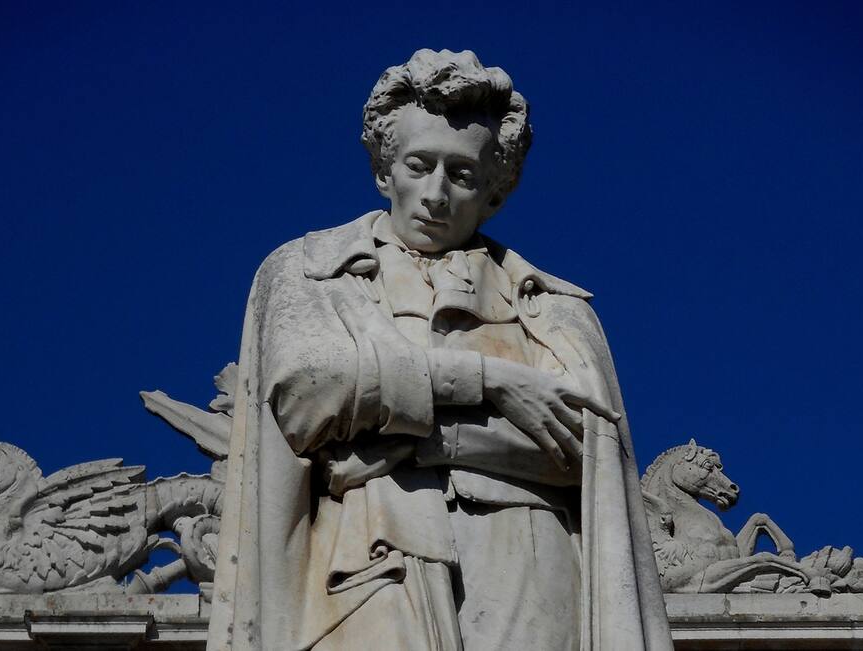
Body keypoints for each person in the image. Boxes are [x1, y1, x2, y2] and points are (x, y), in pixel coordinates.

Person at [206, 49, 672, 651]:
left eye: (463, 175)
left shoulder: (553, 309)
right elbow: (307, 394)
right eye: (418, 165)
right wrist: (491, 382)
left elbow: (582, 450)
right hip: (369, 560)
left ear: (494, 193)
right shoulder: (311, 270)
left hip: (531, 564)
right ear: (384, 171)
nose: (435, 194)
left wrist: (396, 440)